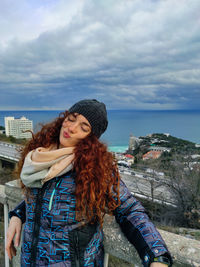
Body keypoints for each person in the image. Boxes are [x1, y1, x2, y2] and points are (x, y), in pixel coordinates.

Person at [6, 99, 173, 267]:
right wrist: (18, 214)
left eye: (83, 127)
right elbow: (42, 196)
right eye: (71, 118)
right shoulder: (40, 155)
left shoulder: (95, 169)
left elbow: (130, 210)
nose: (71, 128)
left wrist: (157, 255)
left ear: (90, 138)